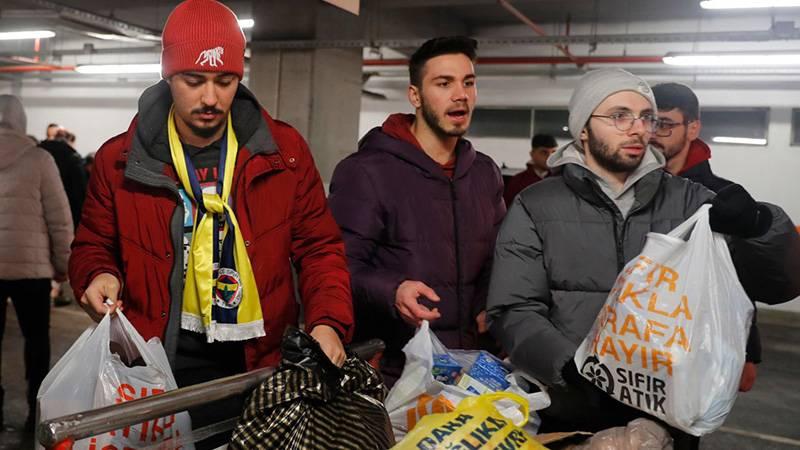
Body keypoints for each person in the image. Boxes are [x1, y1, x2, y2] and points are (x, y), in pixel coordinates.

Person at [68, 1, 353, 447]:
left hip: (260, 363)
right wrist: (97, 274)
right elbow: (92, 245)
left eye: (225, 81)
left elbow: (320, 248)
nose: (210, 98)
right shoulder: (119, 160)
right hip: (158, 364)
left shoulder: (284, 152)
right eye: (193, 80)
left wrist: (329, 322)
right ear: (167, 76)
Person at [486, 68, 800, 449]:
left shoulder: (691, 201)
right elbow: (513, 308)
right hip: (569, 417)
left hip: (668, 420)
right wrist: (572, 366)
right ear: (583, 127)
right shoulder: (535, 205)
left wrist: (761, 227)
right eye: (619, 116)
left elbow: (779, 284)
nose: (637, 128)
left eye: (646, 117)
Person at [328, 36, 506, 386]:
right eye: (444, 83)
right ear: (415, 96)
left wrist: (492, 302)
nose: (461, 95)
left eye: (468, 83)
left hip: (470, 368)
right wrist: (393, 291)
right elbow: (336, 267)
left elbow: (497, 257)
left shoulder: (484, 173)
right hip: (396, 369)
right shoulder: (367, 172)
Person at [650, 82, 763, 392]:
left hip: (694, 343)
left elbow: (737, 277)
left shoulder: (723, 198)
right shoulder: (629, 188)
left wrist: (747, 351)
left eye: (664, 124)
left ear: (692, 128)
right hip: (631, 334)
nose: (653, 133)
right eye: (647, 121)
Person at [0, 95, 73, 431]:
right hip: (32, 271)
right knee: (37, 341)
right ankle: (35, 411)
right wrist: (63, 265)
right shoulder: (40, 159)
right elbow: (59, 220)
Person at [503, 133, 558, 206]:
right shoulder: (517, 182)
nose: (549, 157)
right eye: (544, 152)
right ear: (532, 153)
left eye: (553, 152)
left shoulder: (560, 180)